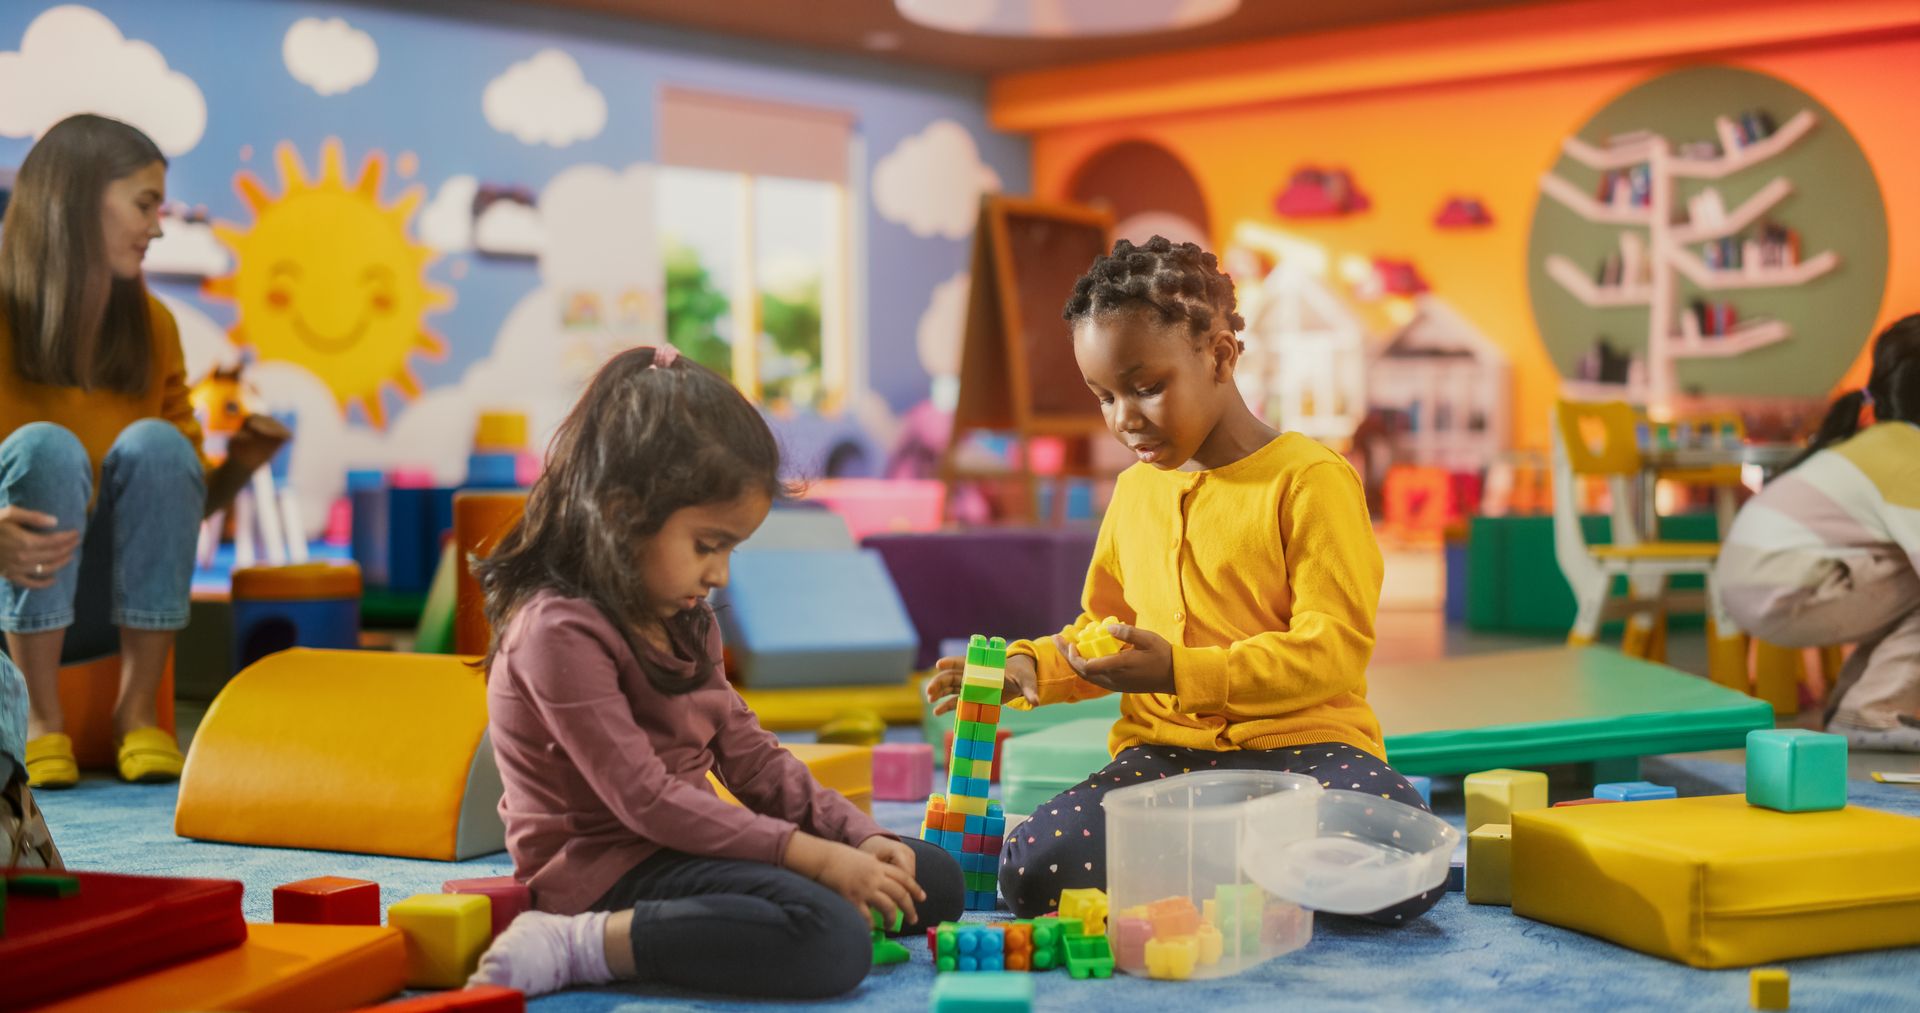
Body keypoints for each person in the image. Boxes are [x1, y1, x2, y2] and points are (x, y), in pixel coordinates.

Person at [926, 236, 1441, 925]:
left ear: (1221, 355)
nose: (1123, 419)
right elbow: (1099, 634)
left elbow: (1333, 649)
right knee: (1032, 869)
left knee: (1404, 856)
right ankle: (1257, 870)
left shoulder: (1310, 481)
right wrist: (1027, 668)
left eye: (1146, 387)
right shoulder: (1136, 491)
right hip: (1165, 762)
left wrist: (1180, 669)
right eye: (1104, 395)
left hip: (1305, 754)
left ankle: (1203, 865)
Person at [466, 345, 961, 1000]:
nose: (721, 573)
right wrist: (807, 855)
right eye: (708, 544)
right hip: (601, 875)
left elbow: (750, 756)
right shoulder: (558, 630)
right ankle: (578, 944)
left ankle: (769, 900)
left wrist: (855, 834)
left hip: (686, 847)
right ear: (619, 512)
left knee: (932, 877)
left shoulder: (686, 612)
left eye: (731, 547)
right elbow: (645, 799)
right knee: (831, 936)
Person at [0, 114, 285, 792]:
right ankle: (41, 718)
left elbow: (177, 506)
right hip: (10, 597)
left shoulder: (152, 326)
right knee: (45, 447)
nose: (158, 225)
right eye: (145, 203)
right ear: (76, 200)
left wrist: (242, 463)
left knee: (158, 444)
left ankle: (139, 712)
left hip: (100, 600)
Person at [1717, 315, 1920, 750]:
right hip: (1783, 585)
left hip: (1756, 582)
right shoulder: (1909, 456)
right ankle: (1871, 713)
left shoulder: (1885, 441)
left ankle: (1855, 705)